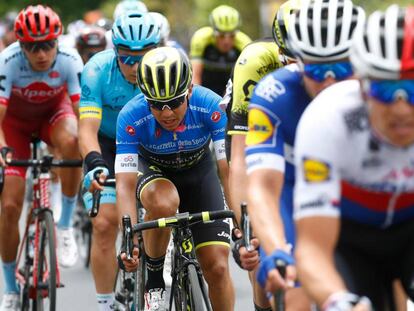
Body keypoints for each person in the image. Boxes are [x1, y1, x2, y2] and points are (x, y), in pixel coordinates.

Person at [245, 0, 365, 308]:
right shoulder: (274, 94)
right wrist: (277, 250)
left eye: (341, 68)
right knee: (294, 286)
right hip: (294, 196)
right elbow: (262, 187)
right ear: (296, 62)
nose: (328, 81)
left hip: (359, 197)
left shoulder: (382, 94)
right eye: (315, 68)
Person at [294, 4, 414, 310]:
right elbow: (313, 249)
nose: (401, 108)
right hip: (349, 238)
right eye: (387, 90)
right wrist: (337, 301)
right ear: (362, 85)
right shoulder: (326, 118)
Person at [116, 47, 234, 311]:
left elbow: (227, 169)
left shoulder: (212, 106)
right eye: (156, 104)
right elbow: (123, 185)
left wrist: (240, 218)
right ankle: (155, 277)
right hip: (155, 172)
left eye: (175, 101)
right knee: (164, 201)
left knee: (217, 267)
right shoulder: (130, 116)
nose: (167, 113)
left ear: (189, 90)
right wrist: (129, 240)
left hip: (199, 173)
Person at [0, 5, 83, 310]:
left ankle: (64, 225)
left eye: (48, 44)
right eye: (33, 47)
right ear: (21, 45)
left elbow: (81, 113)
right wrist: (3, 149)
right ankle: (9, 287)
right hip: (15, 127)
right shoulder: (7, 62)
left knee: (73, 140)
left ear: (57, 41)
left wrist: (91, 155)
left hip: (53, 117)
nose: (41, 54)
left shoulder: (70, 61)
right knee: (9, 206)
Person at [78, 11, 160, 311]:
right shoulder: (96, 70)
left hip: (148, 143)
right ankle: (106, 304)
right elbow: (86, 129)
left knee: (160, 210)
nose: (135, 67)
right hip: (108, 144)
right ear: (114, 52)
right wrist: (96, 163)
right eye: (127, 58)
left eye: (143, 57)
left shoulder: (168, 67)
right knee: (104, 224)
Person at [224, 1, 301, 309]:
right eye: (290, 61)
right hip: (257, 132)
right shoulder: (255, 61)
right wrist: (244, 226)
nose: (298, 71)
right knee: (258, 256)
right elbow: (241, 159)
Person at [190, 5, 251, 95]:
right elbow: (195, 77)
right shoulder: (201, 39)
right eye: (221, 36)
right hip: (206, 85)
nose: (226, 41)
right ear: (213, 32)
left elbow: (245, 80)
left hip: (230, 87)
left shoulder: (245, 44)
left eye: (232, 35)